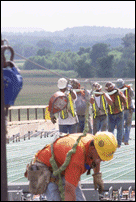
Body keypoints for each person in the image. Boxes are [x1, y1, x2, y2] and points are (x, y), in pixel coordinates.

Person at [25, 131, 118, 201]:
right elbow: (69, 190)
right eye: (100, 157)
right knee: (56, 198)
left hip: (64, 166)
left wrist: (97, 174)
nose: (101, 160)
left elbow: (96, 160)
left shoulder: (94, 141)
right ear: (92, 148)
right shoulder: (77, 157)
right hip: (47, 167)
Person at [105, 82, 127, 148]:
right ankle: (112, 143)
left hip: (119, 113)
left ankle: (119, 143)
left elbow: (125, 101)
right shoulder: (106, 94)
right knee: (110, 130)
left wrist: (119, 94)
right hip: (110, 114)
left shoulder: (118, 92)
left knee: (120, 129)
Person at [116, 79, 135, 145]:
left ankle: (126, 140)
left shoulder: (129, 89)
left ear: (123, 84)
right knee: (120, 125)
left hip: (129, 109)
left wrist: (130, 89)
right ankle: (123, 138)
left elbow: (132, 95)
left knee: (127, 125)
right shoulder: (117, 91)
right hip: (121, 110)